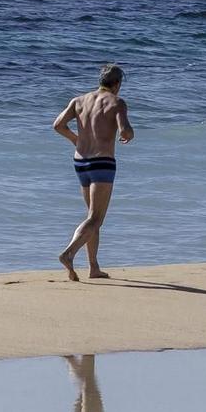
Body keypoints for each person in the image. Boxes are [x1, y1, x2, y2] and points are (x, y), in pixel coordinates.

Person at [53, 63, 135, 282]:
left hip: (80, 162)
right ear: (117, 84)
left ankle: (93, 267)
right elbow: (125, 130)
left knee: (92, 217)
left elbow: (58, 125)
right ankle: (68, 253)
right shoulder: (117, 102)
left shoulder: (78, 101)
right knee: (96, 218)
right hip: (102, 163)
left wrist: (76, 140)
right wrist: (128, 134)